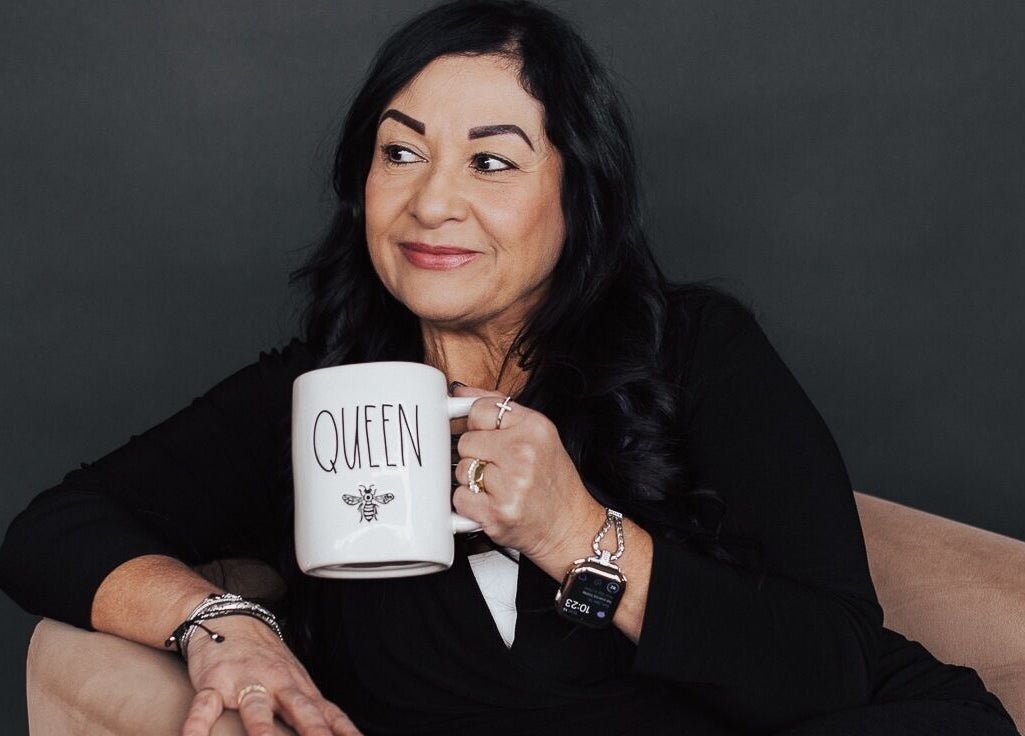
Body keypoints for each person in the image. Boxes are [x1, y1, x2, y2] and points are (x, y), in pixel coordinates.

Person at [0, 1, 1018, 735]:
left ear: (578, 196)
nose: (432, 202)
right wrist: (220, 623)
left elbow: (835, 665)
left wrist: (575, 534)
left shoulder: (694, 348)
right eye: (400, 153)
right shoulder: (321, 398)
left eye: (491, 161)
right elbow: (54, 528)